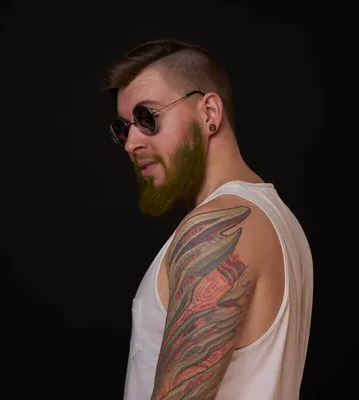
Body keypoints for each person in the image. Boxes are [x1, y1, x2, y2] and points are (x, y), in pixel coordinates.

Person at [103, 39, 313, 400]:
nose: (131, 143)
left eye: (147, 117)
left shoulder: (213, 229)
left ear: (209, 113)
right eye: (124, 127)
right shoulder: (278, 219)